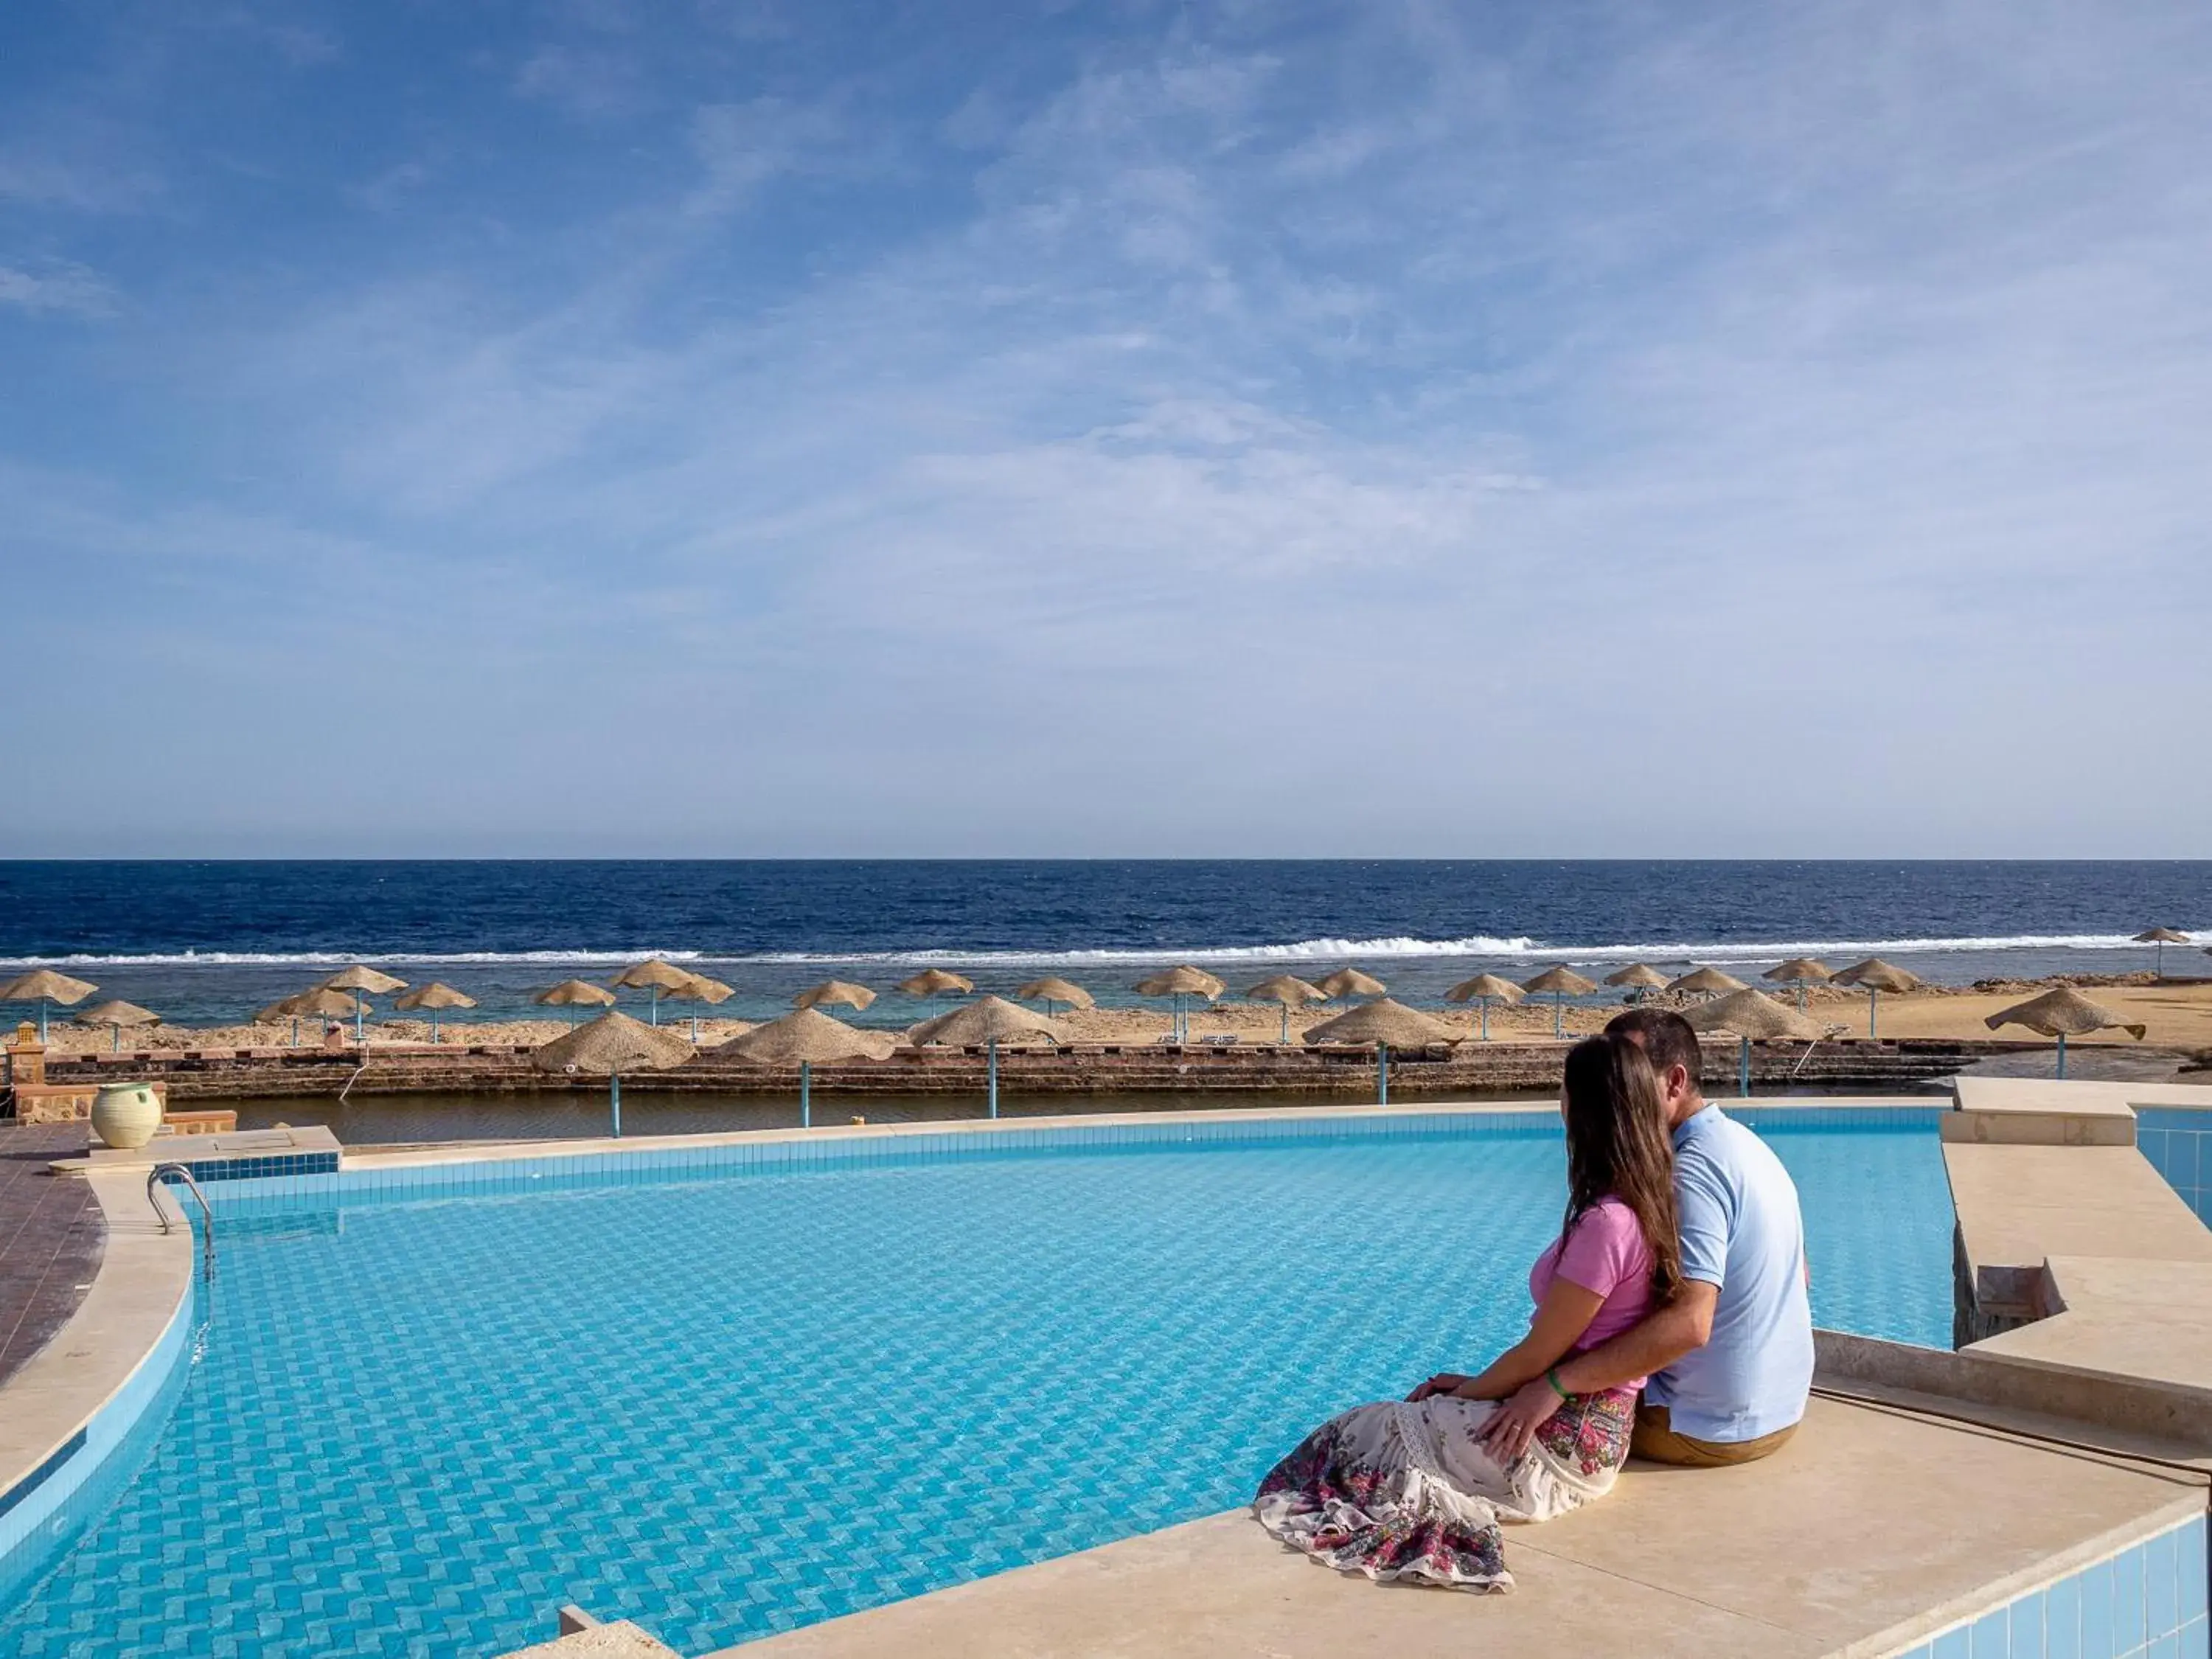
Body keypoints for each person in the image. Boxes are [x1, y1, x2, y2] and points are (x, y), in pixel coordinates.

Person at [1251, 1031, 1680, 1592]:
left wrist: (1466, 1395)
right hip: (1589, 1433)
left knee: (1357, 1433)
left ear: (1589, 1110)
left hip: (1553, 1445)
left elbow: (1539, 1354)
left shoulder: (1608, 1224)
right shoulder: (1649, 1204)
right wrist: (1477, 1386)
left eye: (1565, 1093)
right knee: (1380, 1434)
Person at [1477, 1006, 1814, 1470]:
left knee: (1486, 1424)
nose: (1617, 1090)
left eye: (1629, 1075)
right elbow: (1804, 1276)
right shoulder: (1747, 1146)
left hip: (1707, 1426)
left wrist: (1556, 1384)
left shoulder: (1689, 1176)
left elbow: (1691, 1325)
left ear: (1675, 1081)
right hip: (1780, 1410)